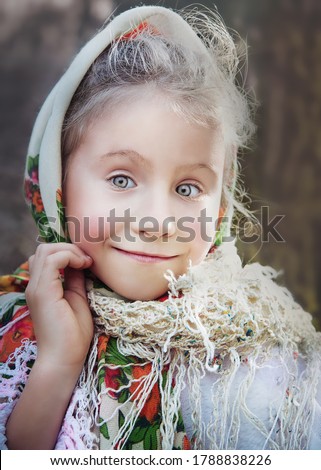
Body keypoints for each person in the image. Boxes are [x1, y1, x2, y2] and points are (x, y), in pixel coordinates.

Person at [0, 4, 320, 451]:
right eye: (121, 179)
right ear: (57, 184)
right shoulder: (14, 328)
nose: (156, 222)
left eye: (188, 188)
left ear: (222, 200)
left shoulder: (265, 353)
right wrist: (58, 361)